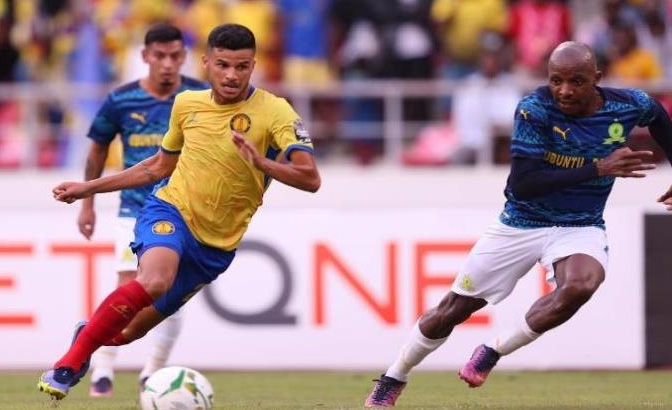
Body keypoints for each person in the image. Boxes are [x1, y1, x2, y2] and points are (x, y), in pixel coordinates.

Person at [365, 40, 672, 407]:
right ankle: (394, 375)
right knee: (452, 310)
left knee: (582, 285)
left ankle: (493, 351)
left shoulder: (626, 105)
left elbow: (658, 116)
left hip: (580, 225)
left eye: (576, 81)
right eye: (556, 80)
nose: (564, 90)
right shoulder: (534, 109)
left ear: (597, 79)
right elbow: (523, 183)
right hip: (521, 222)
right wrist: (598, 168)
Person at [37, 23, 320, 401]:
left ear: (253, 66)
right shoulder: (187, 105)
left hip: (216, 245)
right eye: (222, 65)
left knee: (129, 332)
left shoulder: (277, 112)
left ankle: (86, 335)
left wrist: (262, 163)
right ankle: (68, 364)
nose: (231, 75)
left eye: (241, 66)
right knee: (155, 280)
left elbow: (310, 178)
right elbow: (157, 167)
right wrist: (88, 189)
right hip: (170, 210)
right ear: (206, 63)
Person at [78, 23, 208, 397]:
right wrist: (88, 205)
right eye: (160, 56)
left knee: (172, 294)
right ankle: (103, 368)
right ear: (145, 56)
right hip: (134, 208)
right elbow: (97, 150)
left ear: (184, 57)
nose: (167, 64)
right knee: (128, 287)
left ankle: (153, 371)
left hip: (183, 209)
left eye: (174, 56)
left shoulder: (199, 97)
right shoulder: (121, 100)